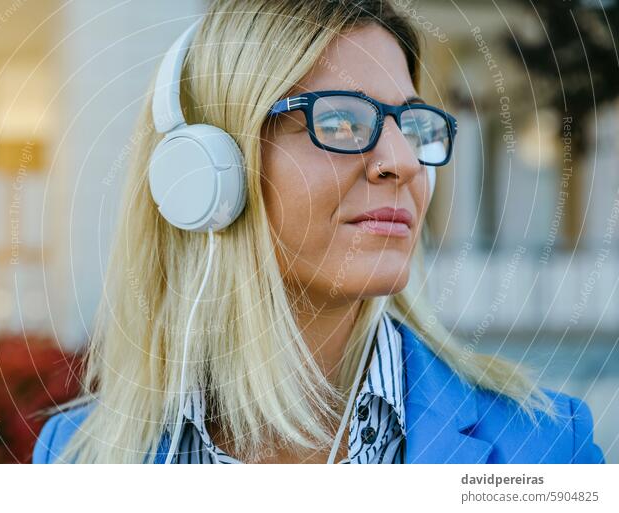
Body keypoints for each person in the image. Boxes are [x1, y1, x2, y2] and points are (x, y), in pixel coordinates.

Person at [33, 0, 604, 464]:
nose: (403, 162)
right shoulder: (78, 460)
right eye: (339, 120)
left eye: (410, 125)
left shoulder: (547, 449)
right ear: (212, 171)